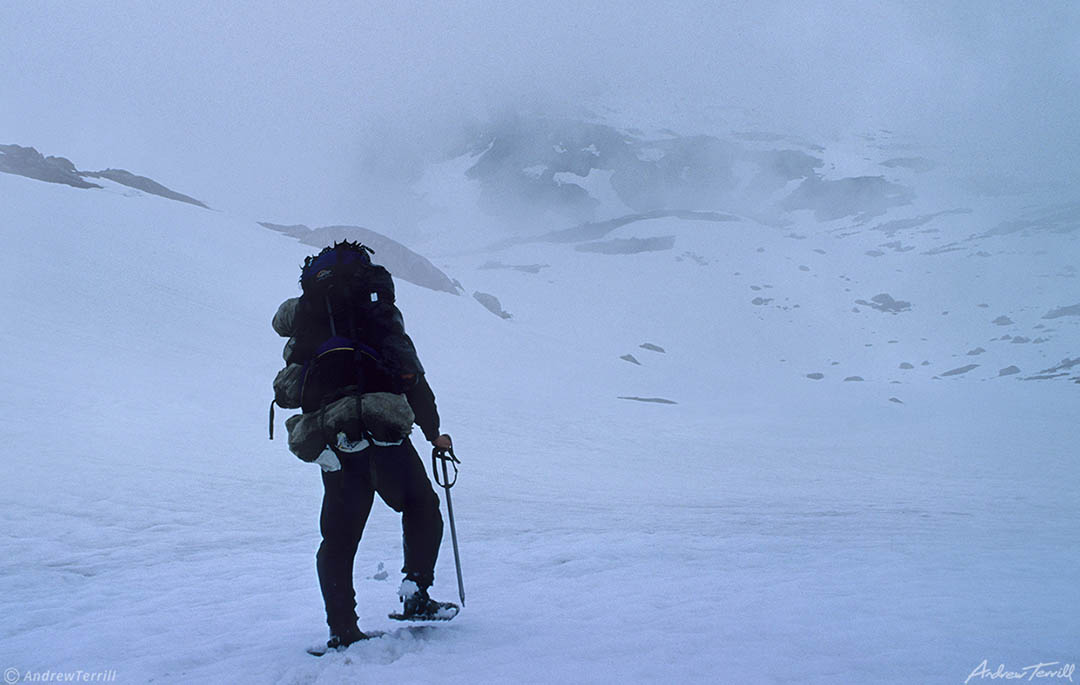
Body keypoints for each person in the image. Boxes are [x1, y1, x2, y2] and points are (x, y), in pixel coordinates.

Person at [276, 241, 457, 651]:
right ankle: (416, 594)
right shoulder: (377, 312)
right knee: (421, 505)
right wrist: (433, 432)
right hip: (380, 422)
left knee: (339, 536)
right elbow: (409, 373)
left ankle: (342, 628)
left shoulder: (312, 319)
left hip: (329, 431)